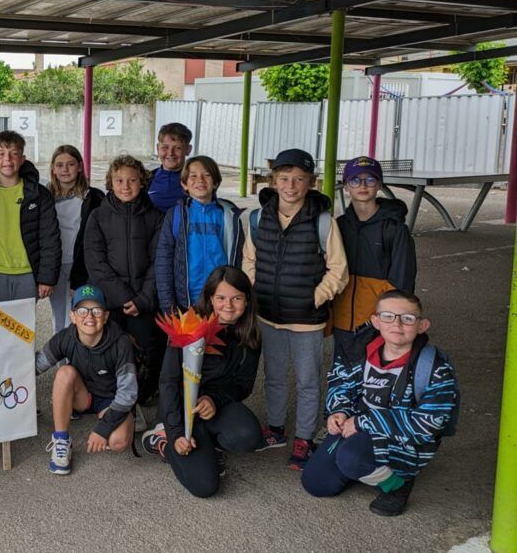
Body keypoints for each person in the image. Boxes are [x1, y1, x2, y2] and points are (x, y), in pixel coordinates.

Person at [301, 291, 458, 516]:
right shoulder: (358, 351)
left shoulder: (436, 368)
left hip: (402, 440)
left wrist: (364, 422)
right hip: (356, 426)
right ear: (376, 321)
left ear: (422, 325)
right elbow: (340, 382)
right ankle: (364, 466)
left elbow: (427, 426)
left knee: (351, 458)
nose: (397, 324)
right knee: (316, 483)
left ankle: (397, 485)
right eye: (388, 316)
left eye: (408, 318)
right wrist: (339, 410)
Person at [240, 148, 348, 470]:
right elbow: (249, 259)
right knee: (273, 376)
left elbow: (338, 270)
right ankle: (275, 429)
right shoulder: (258, 219)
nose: (291, 186)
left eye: (299, 179)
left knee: (307, 380)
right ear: (273, 181)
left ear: (311, 183)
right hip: (268, 316)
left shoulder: (324, 222)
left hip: (307, 321)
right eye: (284, 179)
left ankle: (304, 438)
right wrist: (256, 291)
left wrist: (315, 297)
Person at [141, 266, 263, 498]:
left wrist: (214, 400)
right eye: (221, 298)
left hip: (216, 406)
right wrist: (177, 433)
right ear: (209, 298)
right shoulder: (189, 325)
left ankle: (209, 440)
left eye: (237, 298)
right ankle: (161, 439)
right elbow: (168, 383)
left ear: (247, 301)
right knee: (205, 487)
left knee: (249, 436)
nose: (228, 305)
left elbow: (244, 384)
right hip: (180, 409)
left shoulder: (250, 333)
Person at [83, 155, 163, 410]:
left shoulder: (156, 217)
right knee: (111, 351)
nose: (126, 186)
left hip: (143, 300)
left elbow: (159, 262)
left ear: (142, 183)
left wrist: (142, 299)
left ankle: (138, 400)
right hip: (112, 301)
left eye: (132, 180)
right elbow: (96, 263)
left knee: (144, 352)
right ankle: (111, 401)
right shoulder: (98, 216)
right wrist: (123, 297)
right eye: (119, 180)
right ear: (110, 183)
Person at [36, 285, 138, 475]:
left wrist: (102, 429)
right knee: (64, 373)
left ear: (106, 316)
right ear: (73, 316)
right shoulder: (65, 337)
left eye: (96, 310)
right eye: (82, 310)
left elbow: (127, 393)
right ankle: (61, 440)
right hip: (83, 396)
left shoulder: (121, 343)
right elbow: (38, 365)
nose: (89, 317)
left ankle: (127, 415)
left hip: (111, 398)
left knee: (117, 442)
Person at [333, 156, 417, 350]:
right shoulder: (338, 226)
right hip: (343, 321)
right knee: (343, 375)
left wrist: (391, 319)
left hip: (379, 324)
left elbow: (403, 282)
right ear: (346, 186)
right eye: (355, 180)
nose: (363, 185)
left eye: (370, 180)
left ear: (379, 185)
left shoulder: (395, 229)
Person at [155, 155, 244, 315]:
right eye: (193, 176)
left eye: (207, 175)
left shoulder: (229, 214)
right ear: (184, 184)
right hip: (187, 303)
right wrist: (168, 305)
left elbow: (240, 258)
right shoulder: (176, 215)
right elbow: (164, 261)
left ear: (216, 182)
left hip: (223, 304)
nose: (200, 180)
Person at [0, 130, 60, 303]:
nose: (7, 159)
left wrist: (46, 277)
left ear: (22, 159)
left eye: (14, 153)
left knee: (24, 329)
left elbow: (49, 238)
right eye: (1, 154)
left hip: (28, 274)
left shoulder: (40, 194)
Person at [48, 144, 104, 333]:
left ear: (79, 166)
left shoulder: (93, 197)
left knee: (78, 314)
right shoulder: (45, 197)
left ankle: (77, 358)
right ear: (53, 169)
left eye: (70, 164)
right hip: (55, 264)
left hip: (80, 265)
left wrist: (83, 273)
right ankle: (61, 359)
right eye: (60, 165)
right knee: (57, 314)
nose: (65, 170)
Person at [147, 122, 192, 214]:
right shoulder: (146, 179)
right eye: (165, 147)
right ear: (158, 148)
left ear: (188, 149)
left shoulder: (196, 180)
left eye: (177, 148)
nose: (170, 153)